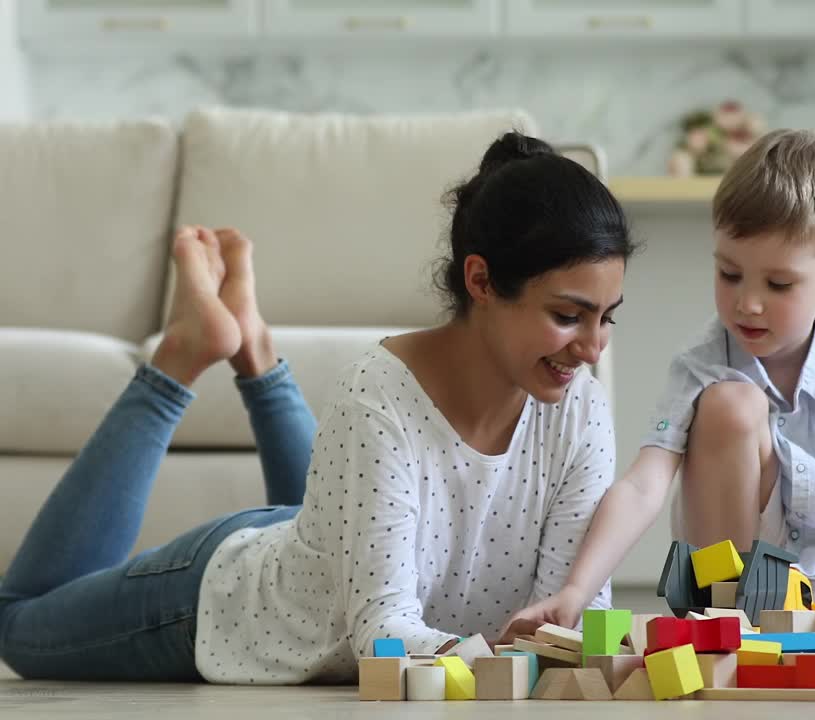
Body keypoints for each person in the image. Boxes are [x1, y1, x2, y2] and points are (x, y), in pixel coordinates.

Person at [0, 132, 635, 683]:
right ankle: (183, 355)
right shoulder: (376, 399)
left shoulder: (581, 410)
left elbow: (574, 613)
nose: (591, 347)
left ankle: (254, 348)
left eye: (606, 318)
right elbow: (384, 637)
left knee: (325, 543)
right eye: (566, 315)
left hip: (326, 552)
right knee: (17, 622)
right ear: (481, 281)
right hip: (227, 606)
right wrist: (507, 661)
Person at [509, 129, 815, 684]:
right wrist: (576, 592)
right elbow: (643, 485)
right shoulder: (703, 363)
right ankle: (727, 627)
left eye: (778, 283)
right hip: (732, 575)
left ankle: (781, 649)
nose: (747, 303)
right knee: (729, 403)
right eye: (729, 274)